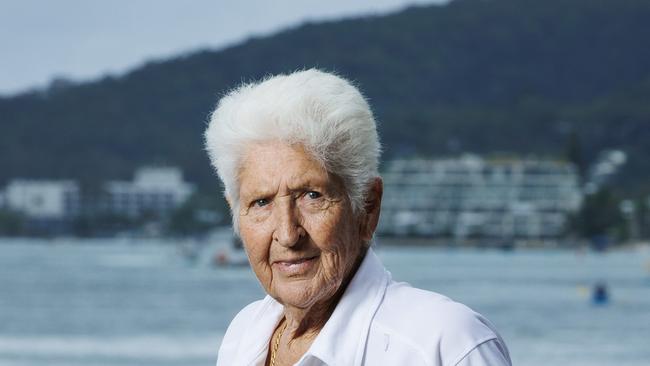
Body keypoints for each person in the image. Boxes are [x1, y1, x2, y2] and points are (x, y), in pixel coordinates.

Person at [204, 69, 511, 366]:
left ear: (367, 206)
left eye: (312, 196)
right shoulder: (244, 335)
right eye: (261, 202)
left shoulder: (445, 345)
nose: (287, 233)